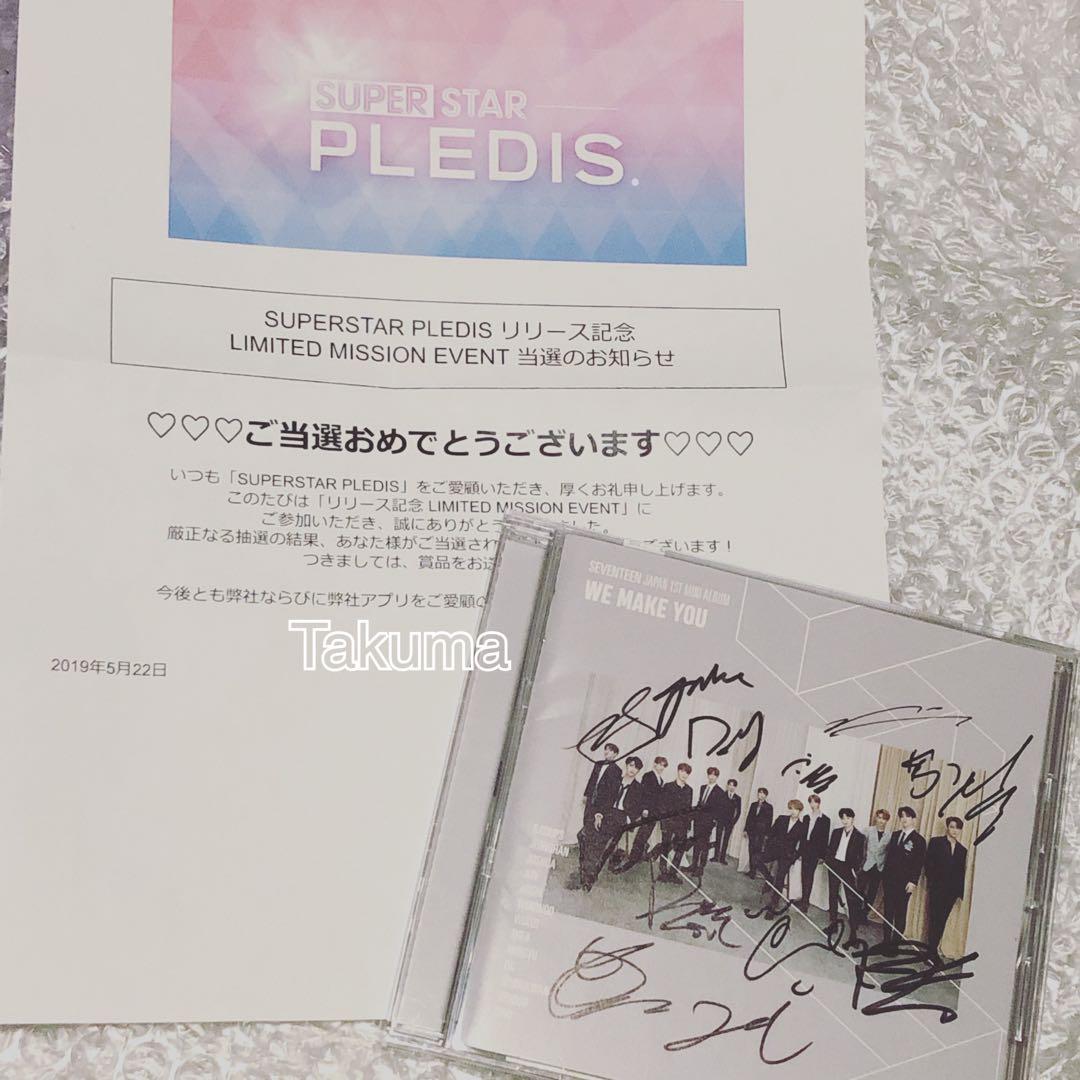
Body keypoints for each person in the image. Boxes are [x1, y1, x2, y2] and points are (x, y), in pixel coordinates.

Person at [573, 757, 644, 891]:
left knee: (600, 844)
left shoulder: (638, 788)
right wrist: (599, 814)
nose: (633, 769)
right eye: (631, 765)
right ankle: (586, 871)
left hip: (621, 817)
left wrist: (628, 819)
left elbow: (638, 808)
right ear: (626, 766)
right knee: (583, 836)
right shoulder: (615, 781)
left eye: (636, 768)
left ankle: (588, 878)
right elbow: (603, 799)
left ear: (638, 771)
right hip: (606, 813)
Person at [881, 805, 927, 953]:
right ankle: (886, 941)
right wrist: (884, 876)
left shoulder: (919, 840)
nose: (904, 819)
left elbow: (918, 863)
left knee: (900, 913)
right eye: (902, 816)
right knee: (888, 911)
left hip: (905, 883)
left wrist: (913, 881)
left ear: (913, 819)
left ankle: (895, 945)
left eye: (907, 816)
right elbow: (889, 857)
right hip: (889, 880)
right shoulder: (895, 835)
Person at [924, 816, 968, 957]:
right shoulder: (936, 842)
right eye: (952, 827)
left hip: (951, 892)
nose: (955, 830)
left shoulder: (962, 850)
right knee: (933, 919)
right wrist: (932, 882)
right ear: (947, 827)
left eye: (958, 828)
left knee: (942, 920)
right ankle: (930, 950)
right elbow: (928, 863)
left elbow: (961, 872)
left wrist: (958, 892)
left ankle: (933, 949)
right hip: (937, 888)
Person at [824, 808, 867, 948]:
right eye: (843, 818)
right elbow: (830, 849)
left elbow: (862, 856)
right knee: (833, 895)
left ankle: (853, 933)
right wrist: (829, 862)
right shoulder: (836, 832)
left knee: (851, 900)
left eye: (848, 818)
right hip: (835, 866)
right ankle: (833, 925)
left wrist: (855, 871)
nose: (845, 821)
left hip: (848, 869)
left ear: (852, 819)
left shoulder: (860, 837)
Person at [760, 799, 807, 917]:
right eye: (792, 809)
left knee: (780, 879)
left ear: (800, 811)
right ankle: (769, 878)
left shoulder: (802, 826)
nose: (793, 811)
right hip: (775, 851)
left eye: (796, 809)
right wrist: (769, 847)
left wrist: (794, 856)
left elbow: (803, 845)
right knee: (756, 859)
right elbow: (771, 833)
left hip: (787, 856)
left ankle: (772, 907)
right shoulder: (782, 819)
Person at [625, 756, 668, 868]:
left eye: (663, 766)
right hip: (647, 811)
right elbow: (644, 793)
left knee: (646, 835)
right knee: (642, 835)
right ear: (655, 764)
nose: (661, 767)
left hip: (655, 813)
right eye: (660, 764)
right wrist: (645, 808)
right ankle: (633, 857)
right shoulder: (648, 775)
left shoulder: (661, 780)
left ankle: (637, 856)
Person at [657, 763, 694, 882]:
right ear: (678, 771)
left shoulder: (689, 790)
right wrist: (663, 823)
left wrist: (688, 825)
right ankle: (663, 872)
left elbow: (688, 809)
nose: (684, 774)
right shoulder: (668, 786)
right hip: (669, 823)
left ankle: (673, 873)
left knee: (680, 848)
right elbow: (662, 806)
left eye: (687, 772)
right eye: (682, 771)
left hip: (682, 825)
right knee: (665, 846)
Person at [797, 794, 830, 912]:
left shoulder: (825, 819)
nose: (812, 804)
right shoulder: (806, 817)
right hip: (805, 849)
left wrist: (822, 856)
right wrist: (800, 852)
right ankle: (803, 899)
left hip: (815, 852)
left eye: (815, 802)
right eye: (810, 802)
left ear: (818, 803)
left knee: (809, 876)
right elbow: (802, 836)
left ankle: (805, 902)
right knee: (803, 875)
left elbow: (825, 839)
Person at [689, 767, 724, 876]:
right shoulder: (703, 787)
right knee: (696, 843)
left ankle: (701, 868)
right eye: (710, 774)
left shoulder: (720, 791)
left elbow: (719, 809)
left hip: (708, 823)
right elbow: (700, 803)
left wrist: (713, 821)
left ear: (717, 777)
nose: (712, 777)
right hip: (698, 820)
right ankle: (693, 865)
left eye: (714, 775)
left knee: (704, 845)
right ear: (707, 775)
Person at [858, 808, 891, 923]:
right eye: (879, 818)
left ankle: (864, 914)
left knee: (872, 892)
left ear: (887, 821)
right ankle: (856, 912)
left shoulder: (889, 835)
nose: (881, 821)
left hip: (879, 867)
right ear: (876, 818)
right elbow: (860, 846)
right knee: (860, 889)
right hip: (867, 865)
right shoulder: (867, 830)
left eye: (884, 819)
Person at [581, 743, 621, 828]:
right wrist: (586, 794)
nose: (606, 752)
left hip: (602, 801)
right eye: (606, 749)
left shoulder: (617, 770)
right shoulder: (598, 764)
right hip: (591, 797)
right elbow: (591, 779)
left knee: (595, 822)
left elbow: (612, 791)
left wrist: (606, 806)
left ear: (615, 754)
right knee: (586, 818)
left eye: (610, 750)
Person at [743, 787, 774, 879]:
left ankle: (755, 871)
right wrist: (745, 829)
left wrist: (767, 834)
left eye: (763, 793)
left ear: (766, 795)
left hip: (760, 833)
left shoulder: (769, 807)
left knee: (757, 852)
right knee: (750, 850)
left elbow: (769, 821)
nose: (761, 795)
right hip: (751, 831)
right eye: (759, 793)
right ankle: (751, 871)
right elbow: (749, 817)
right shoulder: (753, 804)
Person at [712, 778, 742, 864]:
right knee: (718, 838)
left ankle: (722, 858)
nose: (731, 787)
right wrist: (716, 819)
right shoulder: (722, 795)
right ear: (727, 785)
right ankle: (715, 857)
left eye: (733, 785)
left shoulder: (738, 798)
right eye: (730, 785)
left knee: (726, 840)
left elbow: (739, 812)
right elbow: (717, 808)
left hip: (729, 822)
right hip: (720, 820)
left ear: (735, 787)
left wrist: (733, 822)